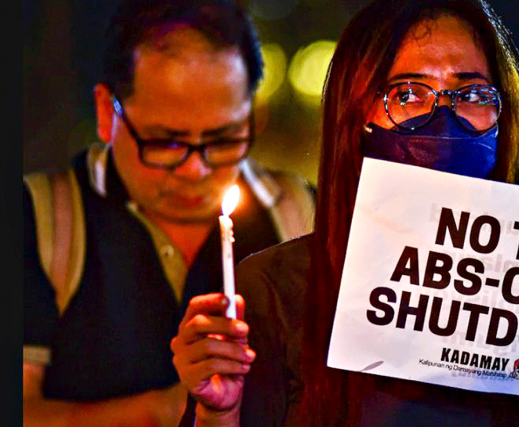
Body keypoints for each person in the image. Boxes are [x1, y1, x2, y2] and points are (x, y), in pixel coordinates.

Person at [170, 0, 519, 426]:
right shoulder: (274, 292)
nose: (443, 118)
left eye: (473, 93)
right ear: (357, 115)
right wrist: (220, 413)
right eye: (408, 94)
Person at [22, 0, 315, 425]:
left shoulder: (301, 215)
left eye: (223, 138)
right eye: (166, 142)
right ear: (108, 113)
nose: (196, 170)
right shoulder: (40, 219)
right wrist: (174, 409)